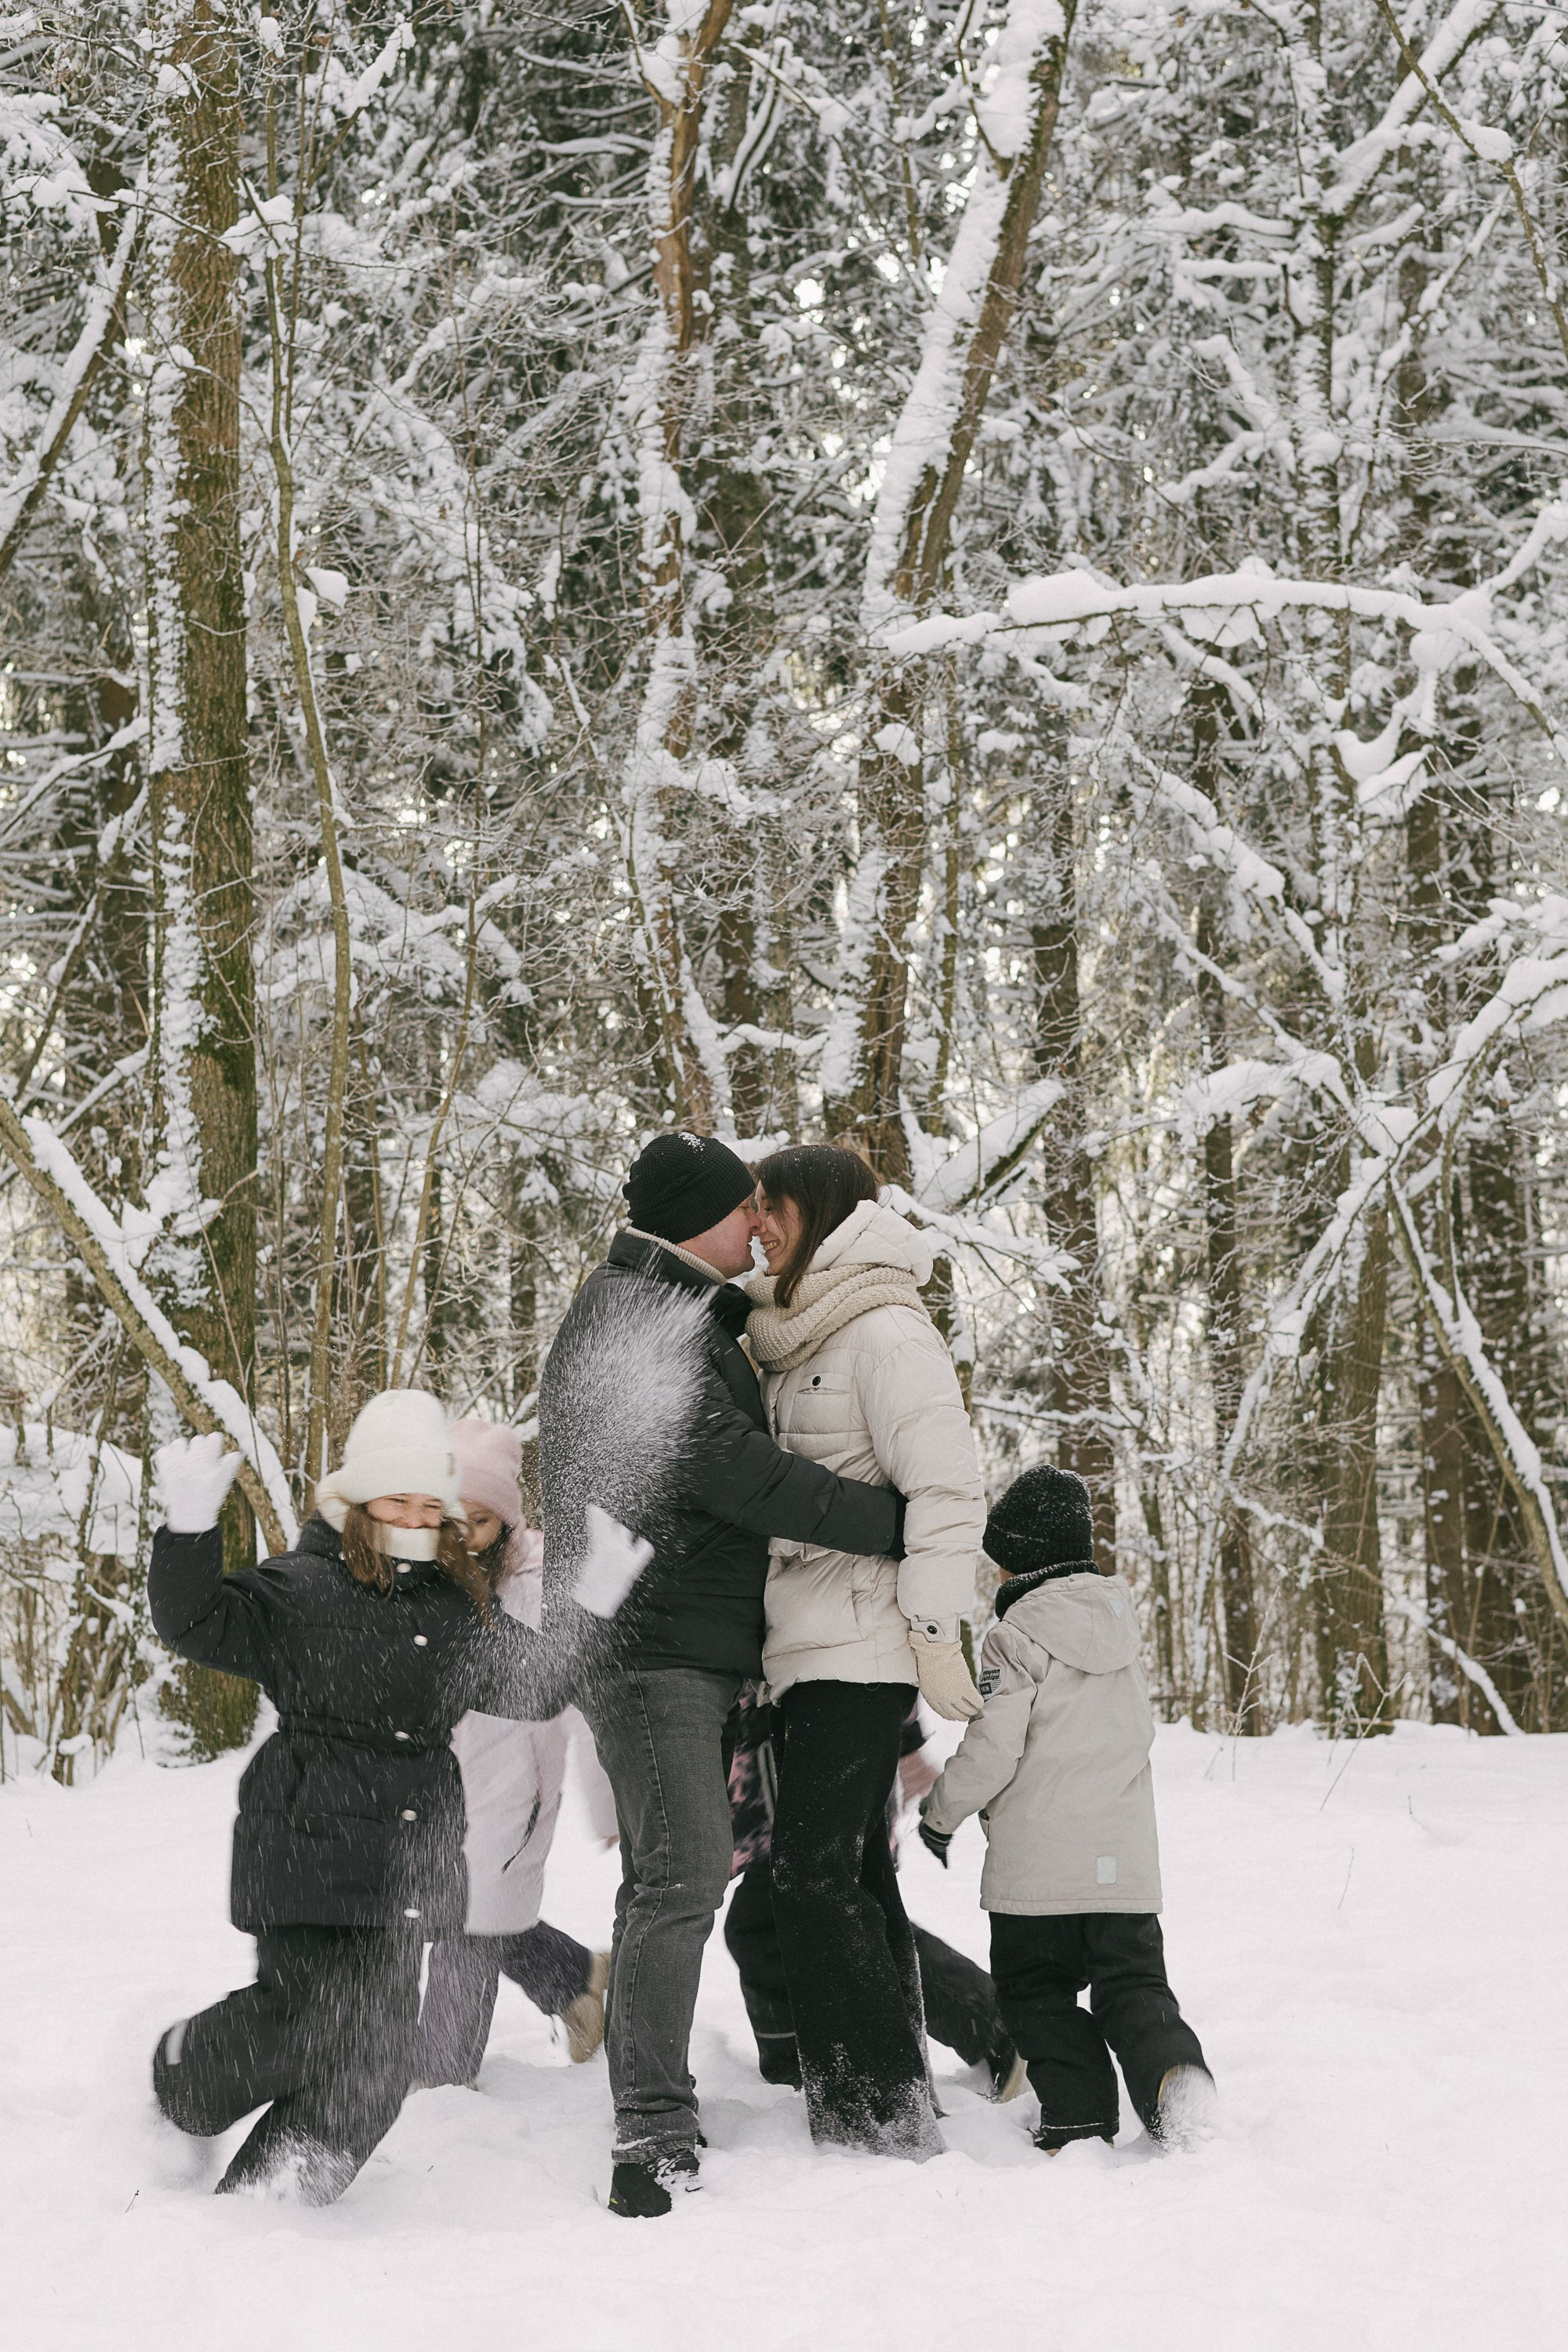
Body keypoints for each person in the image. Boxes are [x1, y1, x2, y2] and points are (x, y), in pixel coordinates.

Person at [146, 1389, 647, 2205]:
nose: (414, 1516)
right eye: (396, 1497)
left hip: (408, 1857)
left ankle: (277, 2203)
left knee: (378, 2063)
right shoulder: (301, 1586)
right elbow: (196, 1622)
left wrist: (590, 1605)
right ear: (355, 1498)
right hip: (307, 1840)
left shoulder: (454, 1611)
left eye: (428, 1502)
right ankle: (178, 2079)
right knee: (308, 2020)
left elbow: (534, 1687)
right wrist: (189, 1532)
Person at [539, 1130, 907, 2218]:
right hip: (650, 1648)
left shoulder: (675, 1309)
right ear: (694, 1217)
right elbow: (729, 1469)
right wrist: (893, 1520)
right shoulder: (632, 1318)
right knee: (682, 1874)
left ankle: (722, 2079)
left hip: (693, 1645)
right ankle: (650, 2132)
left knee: (700, 1872)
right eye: (743, 1204)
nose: (760, 1220)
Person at [744, 1144, 986, 2158]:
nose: (756, 1223)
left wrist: (933, 1629)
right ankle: (898, 2108)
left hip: (864, 1646)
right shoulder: (795, 1331)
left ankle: (872, 2113)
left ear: (825, 1211)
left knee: (810, 1877)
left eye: (772, 1207)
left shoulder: (884, 1330)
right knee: (853, 1873)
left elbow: (946, 1486)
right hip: (805, 1648)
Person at [918, 1464, 1217, 2154]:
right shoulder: (1123, 1631)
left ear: (1021, 1559)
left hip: (1040, 1877)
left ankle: (1079, 2118)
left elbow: (995, 1747)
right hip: (1125, 1871)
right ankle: (1175, 2077)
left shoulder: (1015, 1636)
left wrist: (941, 1814)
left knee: (1036, 1997)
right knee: (1134, 1987)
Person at [415, 1417, 613, 2089]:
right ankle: (576, 1981)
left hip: (515, 1786)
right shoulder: (424, 1581)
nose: (467, 1532)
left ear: (507, 1520)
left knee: (466, 1921)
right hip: (445, 1784)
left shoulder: (537, 1585)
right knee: (462, 1907)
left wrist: (608, 1800)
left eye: (484, 1517)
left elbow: (583, 1693)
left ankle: (442, 2077)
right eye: (454, 1515)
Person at [723, 1685, 1026, 2100]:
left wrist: (907, 1747)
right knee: (789, 1919)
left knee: (815, 1914)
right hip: (784, 1747)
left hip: (802, 1745)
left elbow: (877, 1642)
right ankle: (795, 2064)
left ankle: (994, 2024)